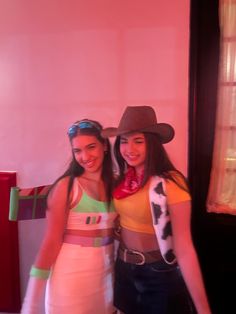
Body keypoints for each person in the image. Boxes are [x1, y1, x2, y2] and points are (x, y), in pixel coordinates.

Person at [102, 106, 211, 314]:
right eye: (124, 141)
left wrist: (203, 308)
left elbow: (185, 247)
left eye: (138, 141)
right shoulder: (124, 180)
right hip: (124, 268)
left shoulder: (170, 182)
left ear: (152, 144)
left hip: (158, 273)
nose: (129, 148)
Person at [21, 119, 117, 314]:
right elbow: (51, 242)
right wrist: (31, 301)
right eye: (77, 151)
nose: (85, 156)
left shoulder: (116, 184)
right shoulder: (66, 187)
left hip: (106, 274)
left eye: (91, 147)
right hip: (71, 276)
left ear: (104, 146)